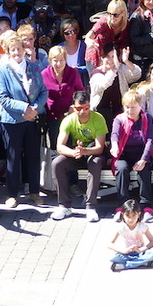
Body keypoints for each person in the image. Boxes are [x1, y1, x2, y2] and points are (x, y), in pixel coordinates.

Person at [0, 32, 48, 208]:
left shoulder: (34, 67)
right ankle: (12, 194)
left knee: (33, 156)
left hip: (32, 119)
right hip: (12, 120)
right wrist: (24, 109)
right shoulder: (3, 70)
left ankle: (34, 191)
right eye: (13, 50)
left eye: (19, 48)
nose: (16, 52)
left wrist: (35, 109)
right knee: (13, 157)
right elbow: (3, 98)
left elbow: (43, 91)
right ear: (8, 52)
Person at [51, 90, 107, 222]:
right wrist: (74, 153)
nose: (82, 111)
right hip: (76, 154)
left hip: (93, 153)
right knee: (57, 163)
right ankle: (64, 205)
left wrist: (84, 151)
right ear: (73, 107)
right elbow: (60, 146)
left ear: (90, 106)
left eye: (86, 108)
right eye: (78, 108)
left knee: (95, 163)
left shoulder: (98, 118)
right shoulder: (68, 120)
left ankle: (91, 207)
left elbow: (99, 148)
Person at [110, 89, 153, 221]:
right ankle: (122, 206)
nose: (130, 110)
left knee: (144, 169)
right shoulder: (119, 119)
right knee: (121, 169)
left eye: (133, 107)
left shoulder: (147, 118)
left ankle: (146, 206)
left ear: (140, 106)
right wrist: (114, 145)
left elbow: (150, 140)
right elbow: (114, 134)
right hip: (125, 154)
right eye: (127, 107)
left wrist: (143, 159)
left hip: (142, 154)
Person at [108, 199, 153, 271]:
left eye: (134, 215)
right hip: (126, 253)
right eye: (127, 216)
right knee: (112, 257)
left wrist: (140, 249)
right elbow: (109, 244)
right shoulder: (121, 227)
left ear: (139, 215)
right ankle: (142, 263)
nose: (130, 219)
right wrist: (124, 251)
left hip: (139, 252)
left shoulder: (142, 226)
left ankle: (125, 265)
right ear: (122, 214)